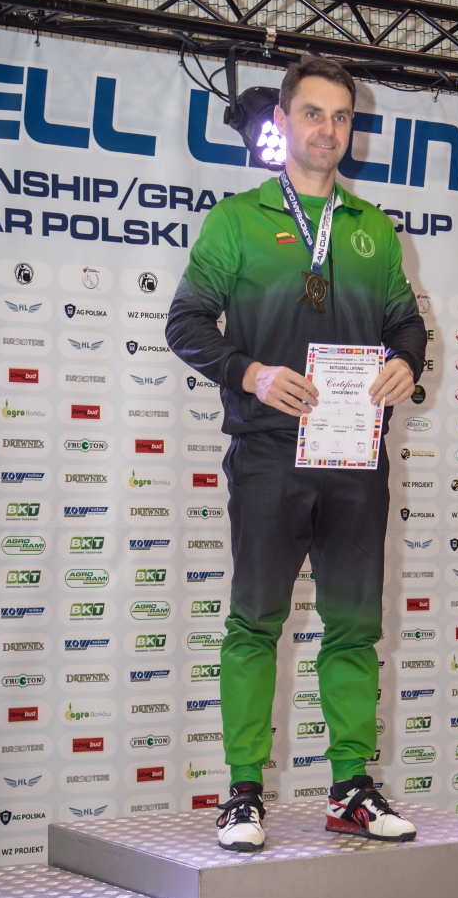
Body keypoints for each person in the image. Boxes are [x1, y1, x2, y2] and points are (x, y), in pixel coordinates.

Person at [166, 55, 427, 852]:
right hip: (269, 451)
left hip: (354, 456)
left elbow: (405, 322)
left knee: (353, 626)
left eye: (342, 116)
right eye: (313, 113)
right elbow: (186, 323)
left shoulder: (373, 227)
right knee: (255, 622)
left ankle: (351, 788)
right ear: (282, 122)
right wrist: (251, 373)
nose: (329, 129)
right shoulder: (238, 220)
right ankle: (243, 794)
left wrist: (407, 362)